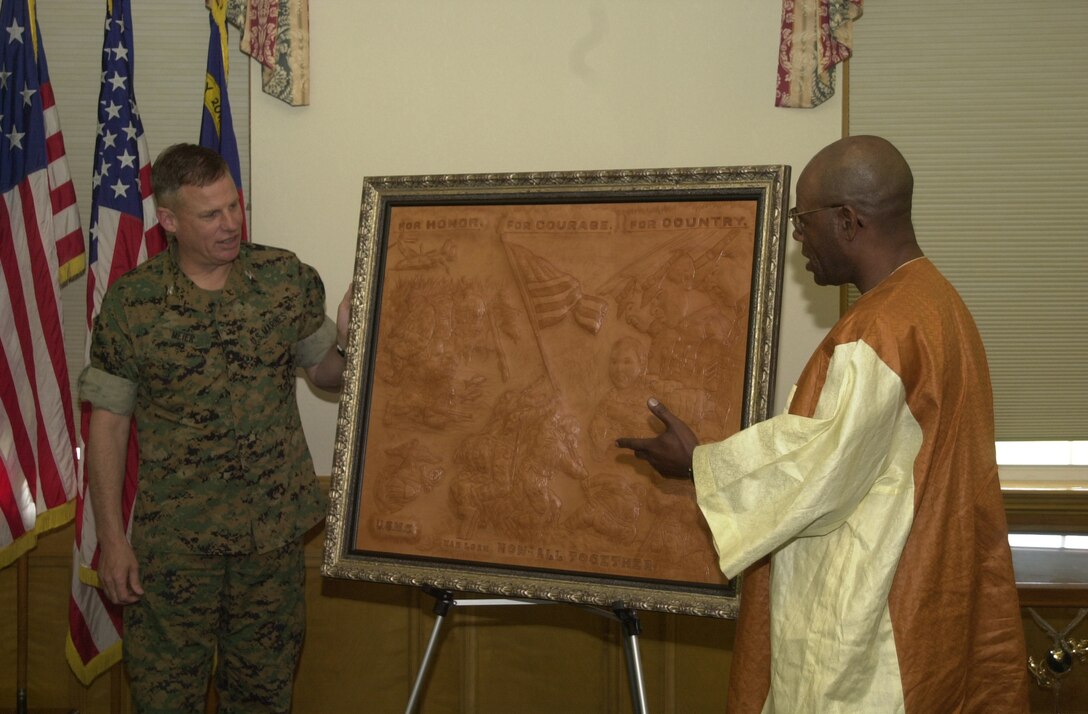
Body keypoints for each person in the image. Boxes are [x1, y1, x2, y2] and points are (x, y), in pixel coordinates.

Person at [617, 135, 1029, 713]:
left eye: (802, 220)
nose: (797, 237)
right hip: (932, 596)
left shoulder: (880, 330)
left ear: (847, 220)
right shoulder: (939, 306)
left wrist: (696, 463)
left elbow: (823, 468)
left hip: (872, 629)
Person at [79, 143, 351, 711]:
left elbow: (326, 375)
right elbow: (108, 424)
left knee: (262, 699)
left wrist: (350, 339)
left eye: (234, 205)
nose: (230, 224)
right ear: (169, 220)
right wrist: (111, 539)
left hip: (271, 546)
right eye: (210, 214)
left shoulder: (283, 280)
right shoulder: (134, 305)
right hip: (176, 550)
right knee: (164, 699)